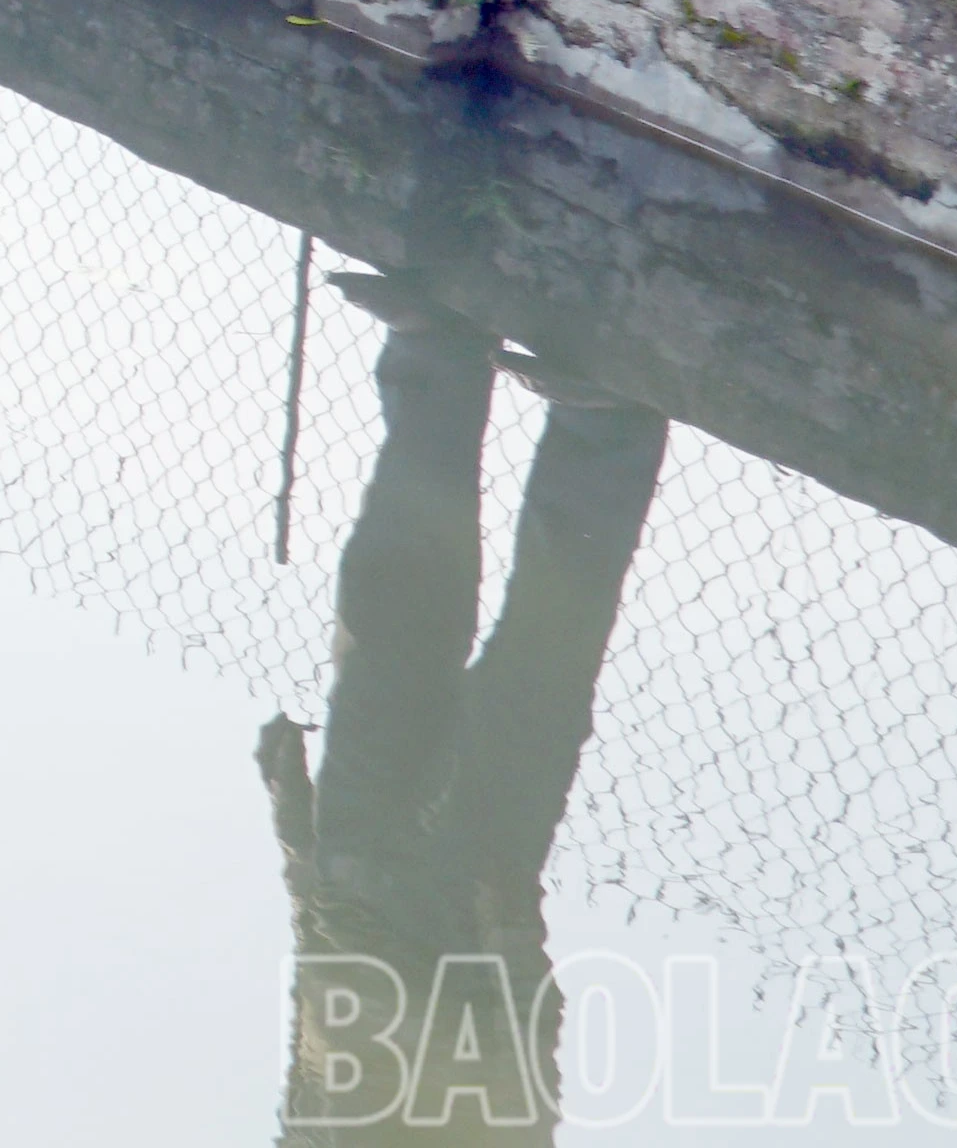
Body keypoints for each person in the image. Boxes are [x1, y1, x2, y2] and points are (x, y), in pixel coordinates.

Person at [260, 276, 667, 1138]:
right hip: (465, 907)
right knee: (541, 658)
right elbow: (525, 1100)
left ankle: (438, 349)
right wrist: (514, 945)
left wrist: (296, 838)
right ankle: (607, 422)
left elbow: (314, 1023)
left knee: (393, 601)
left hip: (349, 866)